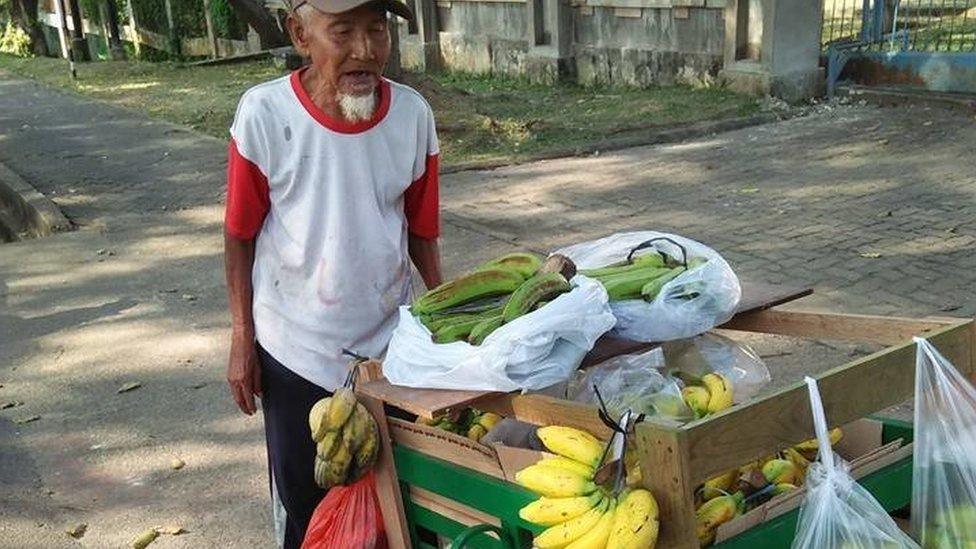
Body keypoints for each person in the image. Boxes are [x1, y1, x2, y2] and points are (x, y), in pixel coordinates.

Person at [222, 0, 442, 545]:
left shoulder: (413, 116)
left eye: (377, 30)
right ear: (300, 33)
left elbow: (421, 231)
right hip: (294, 351)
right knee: (309, 518)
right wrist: (242, 338)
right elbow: (239, 235)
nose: (366, 51)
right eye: (343, 31)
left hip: (391, 353)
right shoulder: (264, 115)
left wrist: (456, 327)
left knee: (403, 515)